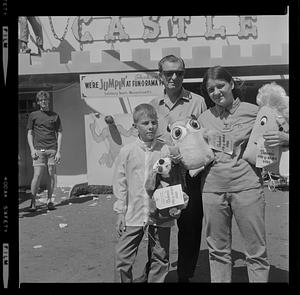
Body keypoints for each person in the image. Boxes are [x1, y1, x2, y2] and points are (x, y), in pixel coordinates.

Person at [198, 65, 270, 282]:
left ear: (231, 84)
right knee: (217, 251)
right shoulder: (203, 118)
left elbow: (278, 134)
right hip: (212, 190)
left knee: (256, 252)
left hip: (247, 187)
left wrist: (284, 139)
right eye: (211, 90)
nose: (216, 92)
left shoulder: (256, 111)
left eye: (220, 86)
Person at [149, 55, 207, 282]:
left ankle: (185, 275)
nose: (174, 77)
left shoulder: (198, 101)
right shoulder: (154, 105)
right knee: (158, 229)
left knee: (190, 230)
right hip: (163, 178)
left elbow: (204, 137)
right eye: (168, 73)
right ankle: (155, 274)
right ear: (160, 75)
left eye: (179, 73)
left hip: (191, 177)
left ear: (184, 74)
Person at [113, 103, 175, 283]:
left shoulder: (165, 149)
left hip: (160, 213)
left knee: (160, 257)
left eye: (154, 122)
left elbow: (173, 177)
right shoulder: (127, 151)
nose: (150, 127)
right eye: (145, 123)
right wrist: (120, 212)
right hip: (134, 213)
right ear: (135, 127)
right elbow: (120, 183)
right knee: (122, 256)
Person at [27, 90, 62, 212]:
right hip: (38, 151)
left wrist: (58, 151)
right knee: (37, 175)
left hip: (52, 149)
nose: (43, 102)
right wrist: (32, 149)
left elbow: (60, 133)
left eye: (45, 100)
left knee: (51, 174)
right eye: (41, 100)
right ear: (38, 102)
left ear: (48, 101)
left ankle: (49, 200)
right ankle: (33, 202)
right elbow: (30, 133)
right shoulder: (33, 115)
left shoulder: (55, 115)